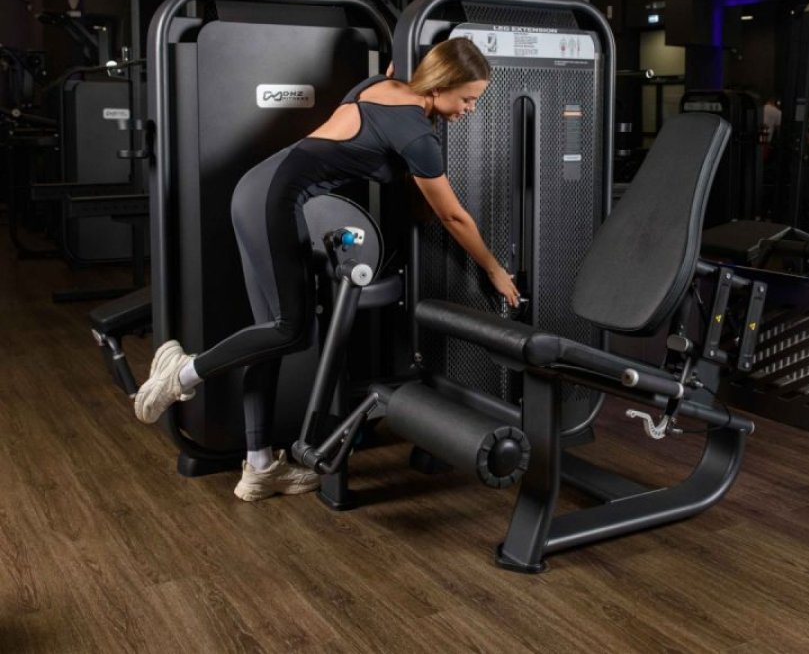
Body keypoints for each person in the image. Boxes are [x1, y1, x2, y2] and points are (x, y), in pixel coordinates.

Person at [133, 38, 520, 501]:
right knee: (293, 331)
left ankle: (259, 467)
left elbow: (399, 63)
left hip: (256, 191)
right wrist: (493, 269)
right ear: (439, 85)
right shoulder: (417, 134)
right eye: (468, 98)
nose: (471, 109)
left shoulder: (383, 85)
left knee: (268, 335)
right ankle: (183, 373)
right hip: (275, 201)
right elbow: (453, 216)